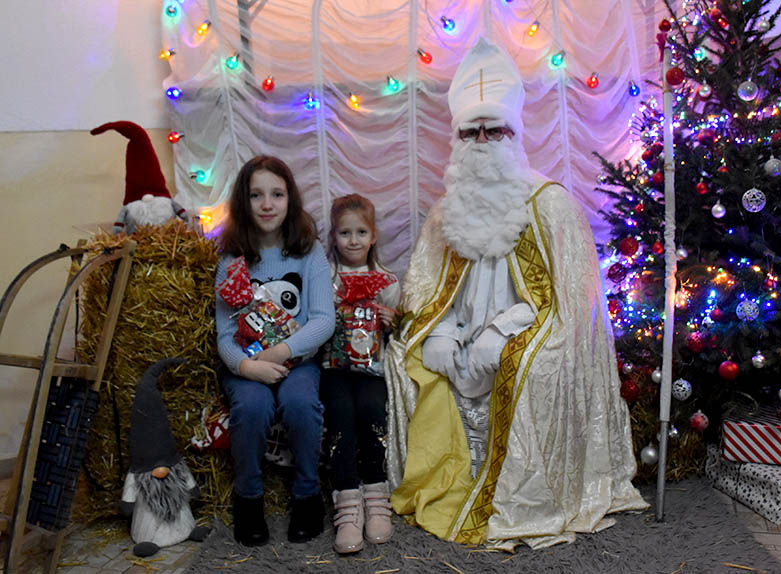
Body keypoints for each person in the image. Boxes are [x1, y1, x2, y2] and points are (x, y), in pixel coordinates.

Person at [383, 38, 648, 550]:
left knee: (525, 364)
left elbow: (572, 305)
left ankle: (517, 495)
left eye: (493, 129)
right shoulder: (446, 212)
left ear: (513, 134)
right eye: (471, 131)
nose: (482, 139)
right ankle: (437, 478)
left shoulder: (550, 205)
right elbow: (429, 290)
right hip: (459, 341)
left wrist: (502, 334)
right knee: (405, 357)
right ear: (458, 138)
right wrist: (440, 333)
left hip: (527, 332)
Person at [215, 155, 335, 547]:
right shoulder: (232, 259)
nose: (267, 204)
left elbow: (321, 321)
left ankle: (307, 496)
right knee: (251, 409)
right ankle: (248, 498)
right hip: (247, 365)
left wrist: (280, 353)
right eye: (256, 195)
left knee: (300, 406)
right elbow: (225, 335)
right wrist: (248, 368)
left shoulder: (308, 252)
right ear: (243, 202)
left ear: (290, 199)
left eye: (277, 194)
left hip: (296, 361)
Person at [320, 194, 400, 554]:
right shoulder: (325, 279)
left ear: (374, 236)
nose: (353, 240)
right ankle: (347, 504)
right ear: (333, 237)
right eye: (344, 232)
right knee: (340, 418)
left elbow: (401, 331)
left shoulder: (387, 282)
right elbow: (314, 324)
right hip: (333, 370)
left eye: (361, 232)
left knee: (372, 413)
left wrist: (391, 321)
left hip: (372, 372)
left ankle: (377, 495)